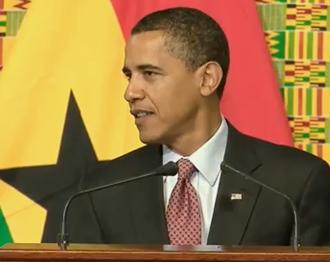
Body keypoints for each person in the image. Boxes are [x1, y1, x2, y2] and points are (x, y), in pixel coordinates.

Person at [66, 7, 330, 246]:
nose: (131, 92)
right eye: (129, 75)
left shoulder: (294, 183)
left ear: (207, 79)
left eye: (149, 73)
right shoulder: (99, 191)